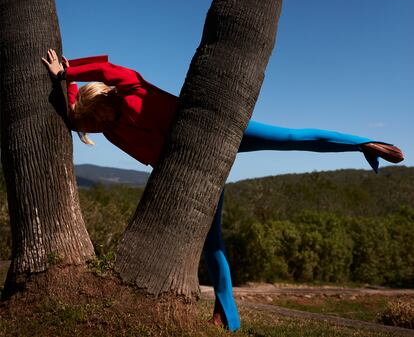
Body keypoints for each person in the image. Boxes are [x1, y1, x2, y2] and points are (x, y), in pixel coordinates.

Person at [42, 49, 404, 331]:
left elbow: (104, 70)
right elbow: (74, 106)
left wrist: (68, 70)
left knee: (291, 138)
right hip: (197, 170)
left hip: (215, 128)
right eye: (87, 124)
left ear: (99, 102)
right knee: (212, 243)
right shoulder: (112, 129)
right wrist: (66, 87)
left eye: (92, 118)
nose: (93, 128)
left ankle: (364, 144)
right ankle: (228, 318)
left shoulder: (128, 87)